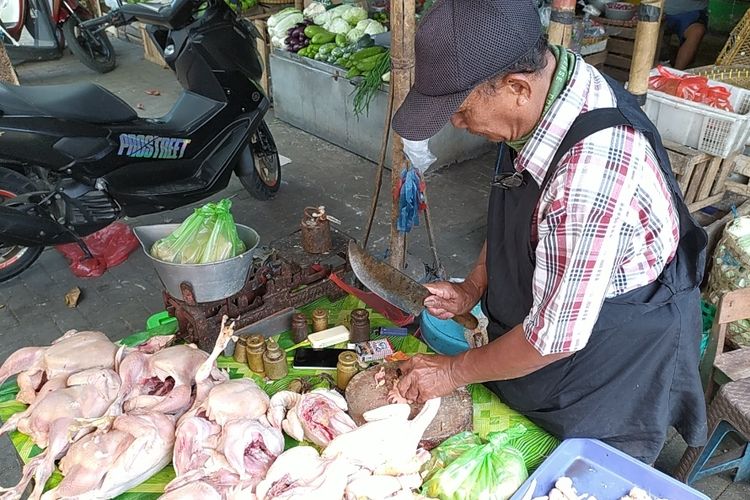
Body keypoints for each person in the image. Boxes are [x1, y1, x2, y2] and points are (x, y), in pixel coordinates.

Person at [393, 0, 708, 464]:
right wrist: (473, 287)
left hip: (610, 352)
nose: (456, 126)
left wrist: (452, 372)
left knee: (574, 474)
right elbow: (514, 216)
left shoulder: (589, 170)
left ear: (516, 87)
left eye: (459, 111)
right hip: (551, 330)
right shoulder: (544, 96)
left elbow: (553, 337)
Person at [664, 0, 708, 70]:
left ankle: (677, 74)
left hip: (691, 12)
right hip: (660, 9)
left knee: (697, 31)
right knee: (649, 23)